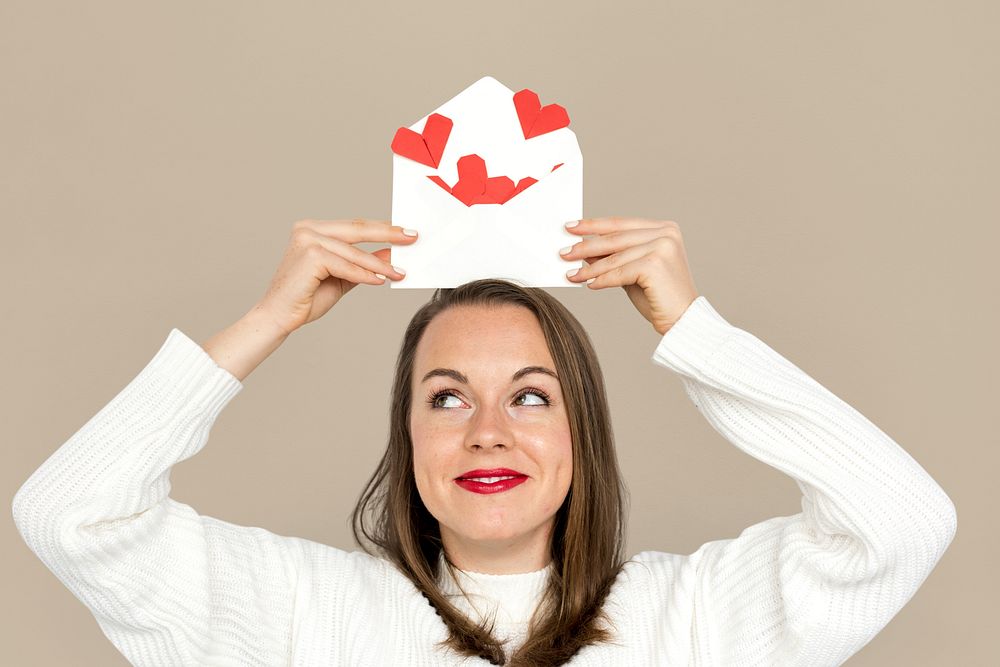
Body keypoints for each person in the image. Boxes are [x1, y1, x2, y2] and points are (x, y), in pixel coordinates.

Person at [11, 217, 957, 666]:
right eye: (449, 396)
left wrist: (695, 331)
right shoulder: (296, 611)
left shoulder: (698, 618)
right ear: (409, 434)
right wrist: (269, 319)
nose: (490, 432)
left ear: (581, 432)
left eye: (533, 396)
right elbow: (69, 513)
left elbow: (902, 524)